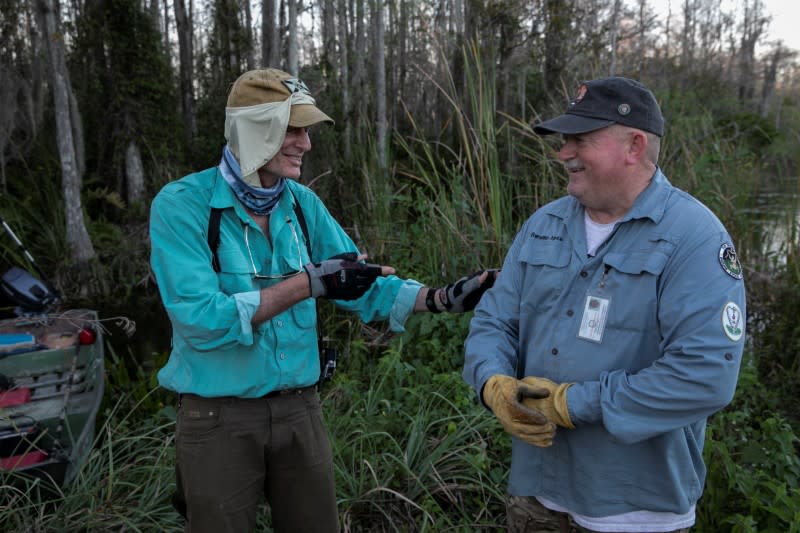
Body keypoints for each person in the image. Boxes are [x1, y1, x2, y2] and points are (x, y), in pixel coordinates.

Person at [149, 67, 496, 533]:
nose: (305, 144)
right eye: (292, 129)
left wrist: (441, 299)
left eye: (306, 131)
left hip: (300, 411)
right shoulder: (182, 205)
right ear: (255, 128)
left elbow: (355, 282)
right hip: (219, 418)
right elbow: (201, 321)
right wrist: (308, 283)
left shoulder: (301, 204)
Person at [463, 77, 746, 533]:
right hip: (536, 497)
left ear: (634, 146)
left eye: (580, 139)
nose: (563, 152)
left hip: (635, 513)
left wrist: (574, 404)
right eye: (563, 140)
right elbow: (495, 319)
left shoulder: (694, 236)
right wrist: (491, 381)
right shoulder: (543, 225)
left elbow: (706, 376)